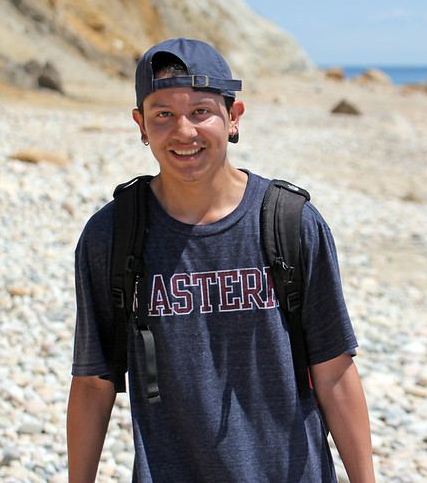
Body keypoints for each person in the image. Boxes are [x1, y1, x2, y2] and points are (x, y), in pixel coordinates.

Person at [67, 38, 375, 482]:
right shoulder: (111, 235)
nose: (184, 132)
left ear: (234, 117)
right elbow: (93, 384)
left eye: (201, 111)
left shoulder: (291, 223)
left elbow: (334, 372)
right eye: (163, 114)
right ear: (141, 125)